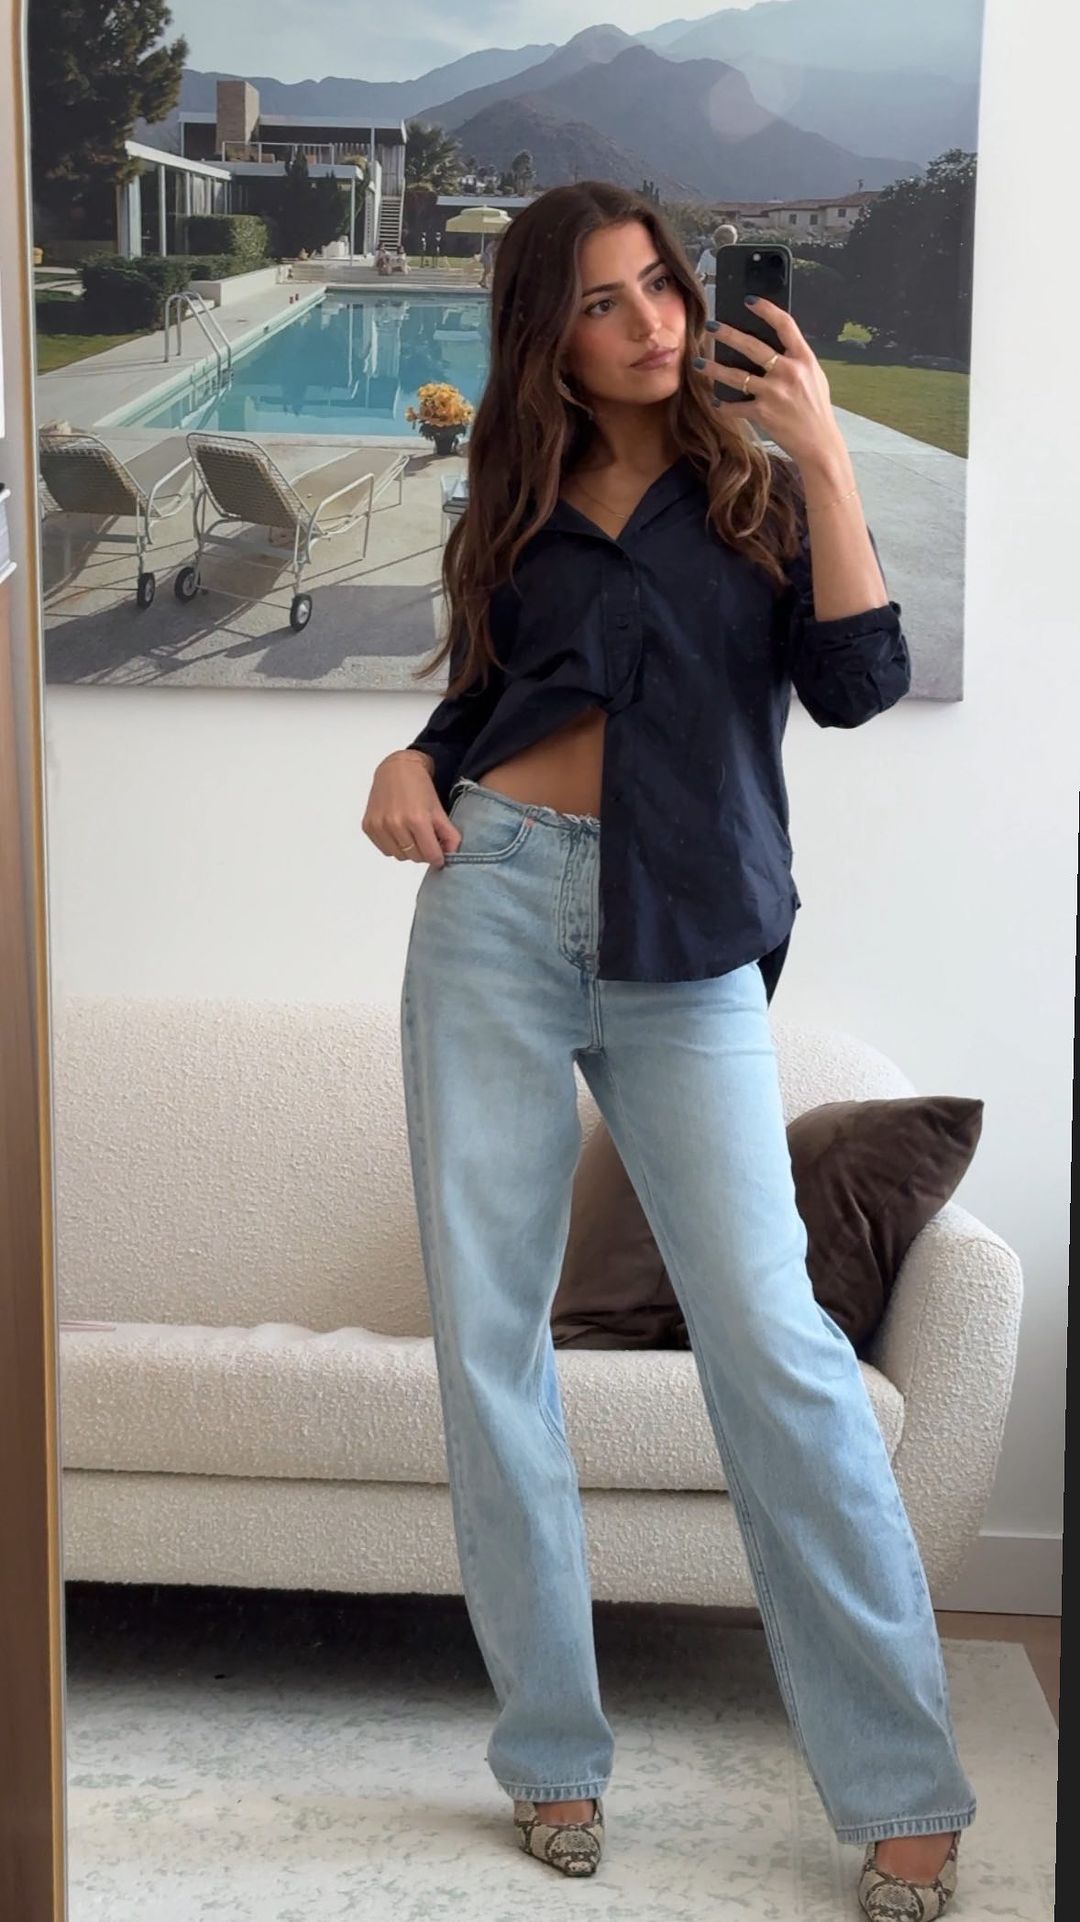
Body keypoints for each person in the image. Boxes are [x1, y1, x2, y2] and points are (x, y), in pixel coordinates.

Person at [361, 181, 974, 1912]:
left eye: (660, 289)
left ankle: (899, 1781)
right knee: (491, 1345)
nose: (648, 324)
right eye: (602, 302)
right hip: (492, 907)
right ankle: (552, 1752)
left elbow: (855, 681)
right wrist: (415, 758)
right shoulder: (515, 492)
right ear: (546, 336)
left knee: (772, 1346)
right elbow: (493, 692)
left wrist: (826, 452)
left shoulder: (758, 489)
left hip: (688, 938)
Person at [696, 220, 738, 287]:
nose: (723, 241)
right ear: (716, 239)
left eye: (728, 239)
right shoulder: (707, 254)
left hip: (728, 289)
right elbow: (699, 274)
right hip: (709, 289)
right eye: (720, 238)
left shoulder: (736, 256)